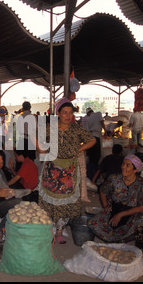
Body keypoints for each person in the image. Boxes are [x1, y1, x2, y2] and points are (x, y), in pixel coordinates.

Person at [36, 100, 96, 245]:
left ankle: (59, 231)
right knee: (50, 202)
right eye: (65, 113)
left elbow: (92, 140)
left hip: (69, 170)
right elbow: (38, 141)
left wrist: (79, 149)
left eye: (70, 113)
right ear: (58, 114)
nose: (68, 116)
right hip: (52, 170)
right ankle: (49, 230)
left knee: (65, 204)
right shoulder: (50, 129)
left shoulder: (76, 129)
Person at [87, 154, 143, 250]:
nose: (123, 167)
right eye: (123, 164)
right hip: (114, 210)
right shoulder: (114, 179)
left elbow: (142, 207)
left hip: (132, 214)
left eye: (127, 165)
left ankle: (139, 249)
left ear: (135, 170)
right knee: (92, 222)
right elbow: (103, 191)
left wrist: (121, 214)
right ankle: (115, 240)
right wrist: (105, 206)